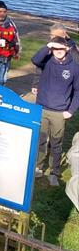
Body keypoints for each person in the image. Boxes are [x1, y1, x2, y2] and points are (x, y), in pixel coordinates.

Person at [31, 36, 79, 186]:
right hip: (42, 108)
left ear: (67, 49)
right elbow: (35, 59)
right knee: (41, 140)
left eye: (61, 48)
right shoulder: (46, 61)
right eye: (55, 48)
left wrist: (70, 110)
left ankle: (54, 172)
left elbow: (78, 91)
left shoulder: (74, 67)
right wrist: (48, 45)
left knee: (56, 143)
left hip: (60, 112)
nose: (58, 51)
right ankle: (38, 167)